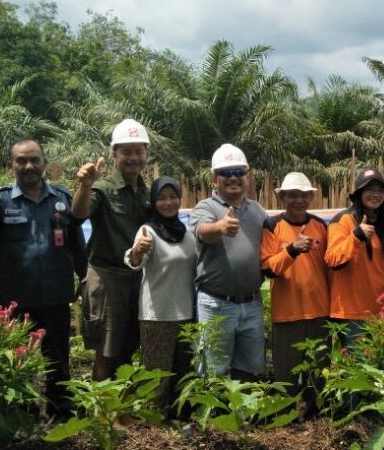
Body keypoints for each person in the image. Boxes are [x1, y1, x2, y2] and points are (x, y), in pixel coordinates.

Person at [0, 139, 87, 416]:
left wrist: (84, 278)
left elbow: (76, 242)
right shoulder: (1, 199)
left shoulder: (61, 198)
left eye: (34, 159)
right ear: (11, 165)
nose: (28, 166)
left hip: (55, 293)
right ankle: (22, 408)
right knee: (17, 355)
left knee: (58, 354)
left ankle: (61, 407)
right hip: (14, 297)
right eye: (21, 160)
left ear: (44, 163)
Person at [72, 119, 151, 380]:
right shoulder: (102, 188)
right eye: (126, 152)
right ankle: (105, 412)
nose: (133, 158)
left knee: (128, 345)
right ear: (114, 154)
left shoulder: (145, 192)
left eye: (139, 151)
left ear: (146, 154)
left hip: (135, 278)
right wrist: (84, 185)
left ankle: (122, 407)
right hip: (107, 277)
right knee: (106, 349)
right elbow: (79, 213)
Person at [188, 143, 267, 379]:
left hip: (251, 303)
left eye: (239, 172)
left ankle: (243, 414)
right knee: (213, 370)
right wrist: (220, 227)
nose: (233, 178)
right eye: (226, 173)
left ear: (247, 178)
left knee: (251, 366)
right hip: (216, 303)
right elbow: (202, 231)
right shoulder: (206, 207)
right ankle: (212, 415)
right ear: (215, 180)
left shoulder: (257, 210)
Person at [124, 176, 196, 414]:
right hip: (156, 315)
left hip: (186, 313)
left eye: (173, 196)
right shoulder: (147, 231)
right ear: (154, 202)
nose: (168, 203)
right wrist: (136, 251)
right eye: (162, 198)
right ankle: (153, 424)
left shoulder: (188, 232)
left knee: (183, 372)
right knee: (156, 376)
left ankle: (180, 419)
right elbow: (135, 262)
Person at [261, 172, 329, 396]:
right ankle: (286, 417)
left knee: (318, 375)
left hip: (319, 311)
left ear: (311, 198)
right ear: (283, 198)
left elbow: (330, 266)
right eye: (292, 195)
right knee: (286, 377)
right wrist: (291, 250)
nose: (298, 200)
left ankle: (315, 418)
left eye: (303, 195)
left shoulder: (320, 226)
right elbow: (269, 268)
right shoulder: (272, 225)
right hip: (286, 314)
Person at [327, 168, 384, 332]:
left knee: (379, 358)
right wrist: (356, 236)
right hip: (351, 312)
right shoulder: (343, 220)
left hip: (379, 309)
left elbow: (383, 265)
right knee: (359, 358)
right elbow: (332, 259)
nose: (376, 194)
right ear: (359, 193)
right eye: (370, 189)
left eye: (380, 190)